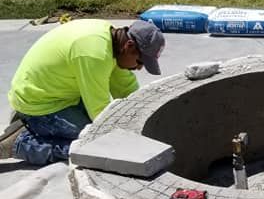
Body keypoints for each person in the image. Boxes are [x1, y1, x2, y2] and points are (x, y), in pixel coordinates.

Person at [1, 18, 165, 166]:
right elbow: (100, 114)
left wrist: (146, 120)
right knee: (93, 145)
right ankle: (20, 143)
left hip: (57, 95)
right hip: (39, 103)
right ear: (129, 46)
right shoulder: (94, 54)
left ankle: (33, 125)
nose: (138, 68)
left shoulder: (113, 39)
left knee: (108, 133)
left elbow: (126, 88)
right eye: (140, 62)